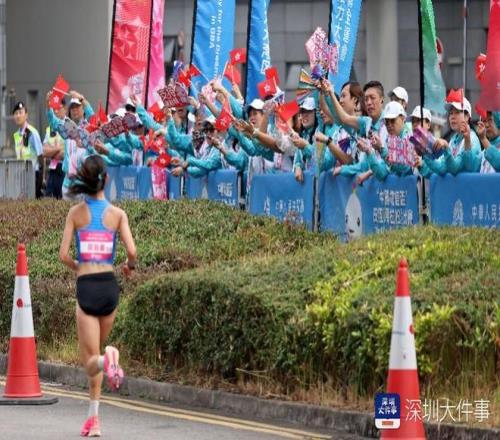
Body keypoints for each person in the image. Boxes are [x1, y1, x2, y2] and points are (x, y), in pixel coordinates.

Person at [59, 155, 137, 437]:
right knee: (97, 354)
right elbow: (132, 252)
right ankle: (94, 420)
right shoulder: (118, 214)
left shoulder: (76, 213)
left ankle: (109, 359)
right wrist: (128, 267)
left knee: (92, 362)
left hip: (87, 288)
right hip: (109, 287)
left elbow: (63, 255)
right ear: (106, 180)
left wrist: (80, 267)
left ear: (85, 180)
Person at [12, 101, 44, 198]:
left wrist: (40, 182)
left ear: (26, 115)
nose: (18, 116)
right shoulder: (16, 135)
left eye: (20, 112)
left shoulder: (32, 132)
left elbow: (41, 156)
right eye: (16, 113)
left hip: (33, 174)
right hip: (22, 175)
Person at [43, 98, 67, 199]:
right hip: (52, 170)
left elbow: (65, 153)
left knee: (64, 201)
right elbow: (44, 152)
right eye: (54, 108)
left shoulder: (69, 126)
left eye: (58, 108)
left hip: (65, 170)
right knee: (49, 201)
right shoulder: (50, 128)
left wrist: (52, 151)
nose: (56, 111)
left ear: (65, 108)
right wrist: (58, 149)